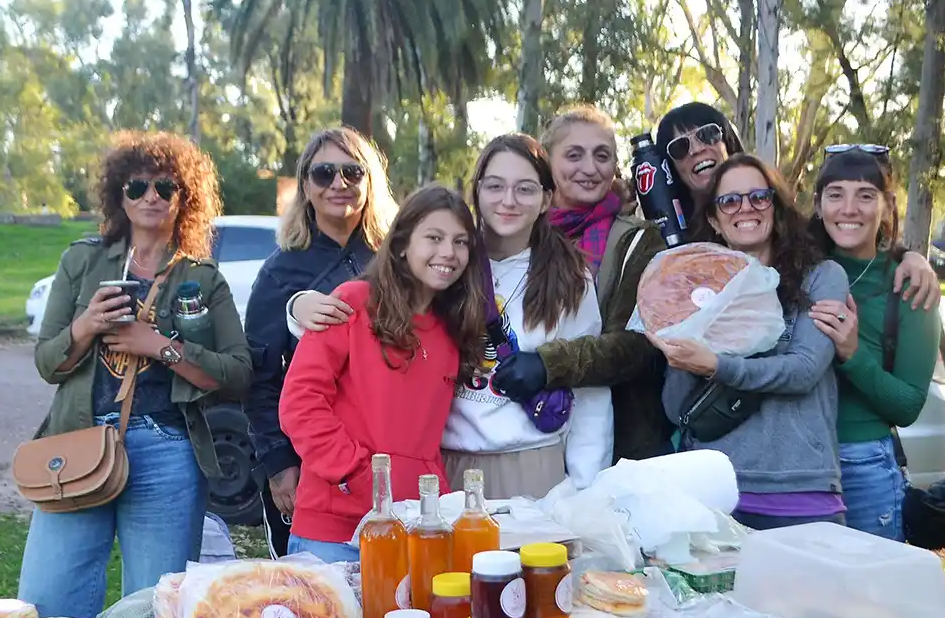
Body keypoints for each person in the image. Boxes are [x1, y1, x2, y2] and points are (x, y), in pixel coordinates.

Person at [19, 131, 252, 618]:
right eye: (138, 186)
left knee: (152, 616)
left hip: (167, 450)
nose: (151, 196)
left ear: (184, 200)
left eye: (166, 188)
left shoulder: (201, 278)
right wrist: (86, 326)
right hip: (79, 442)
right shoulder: (82, 262)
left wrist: (161, 347)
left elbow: (236, 373)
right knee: (47, 606)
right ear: (118, 195)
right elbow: (48, 364)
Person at [278, 185, 487, 561]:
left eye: (460, 242)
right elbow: (300, 403)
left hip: (413, 529)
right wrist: (355, 474)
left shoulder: (451, 331)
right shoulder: (354, 302)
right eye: (434, 238)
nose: (448, 253)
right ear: (403, 244)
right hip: (337, 531)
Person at [653, 154, 849, 530]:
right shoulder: (693, 289)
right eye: (729, 200)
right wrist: (679, 350)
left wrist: (716, 365)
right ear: (713, 218)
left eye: (759, 196)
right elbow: (675, 408)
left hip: (798, 490)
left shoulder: (820, 278)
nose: (745, 207)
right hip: (713, 492)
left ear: (776, 207)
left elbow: (803, 370)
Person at [243, 127, 398, 556]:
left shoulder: (396, 262)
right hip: (308, 466)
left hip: (387, 460)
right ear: (305, 186)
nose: (339, 184)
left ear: (371, 182)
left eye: (352, 171)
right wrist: (278, 464)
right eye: (324, 173)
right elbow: (258, 377)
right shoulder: (280, 272)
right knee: (316, 605)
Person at [490, 105, 669, 462]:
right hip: (519, 435)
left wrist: (547, 364)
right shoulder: (514, 233)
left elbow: (638, 345)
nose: (589, 168)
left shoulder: (636, 241)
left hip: (622, 443)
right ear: (547, 164)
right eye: (574, 155)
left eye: (602, 156)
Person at [440, 133, 612, 498]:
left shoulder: (569, 275)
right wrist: (300, 308)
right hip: (448, 469)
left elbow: (589, 387)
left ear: (546, 198)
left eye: (525, 189)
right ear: (477, 191)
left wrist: (586, 488)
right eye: (495, 186)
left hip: (534, 467)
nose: (508, 201)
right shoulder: (447, 263)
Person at [656, 102, 941, 309]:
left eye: (707, 135)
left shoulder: (784, 226)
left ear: (727, 141)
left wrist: (909, 257)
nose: (696, 149)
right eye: (680, 147)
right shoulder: (668, 239)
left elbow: (842, 239)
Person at [807, 148, 941, 539]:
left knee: (869, 597)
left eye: (865, 195)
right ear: (818, 205)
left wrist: (853, 355)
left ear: (886, 206)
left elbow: (908, 405)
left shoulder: (909, 286)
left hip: (863, 463)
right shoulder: (795, 269)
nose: (849, 208)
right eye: (836, 194)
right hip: (794, 466)